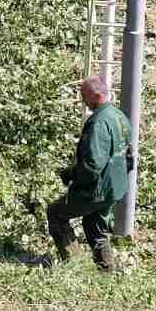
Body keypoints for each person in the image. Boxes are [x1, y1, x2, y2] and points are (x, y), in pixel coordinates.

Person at [46, 77, 130, 272]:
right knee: (95, 226)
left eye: (85, 96)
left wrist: (73, 177)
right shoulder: (119, 116)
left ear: (97, 95)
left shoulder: (99, 122)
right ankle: (107, 271)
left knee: (56, 212)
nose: (83, 101)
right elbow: (129, 155)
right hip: (114, 187)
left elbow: (92, 164)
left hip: (98, 188)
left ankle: (75, 265)